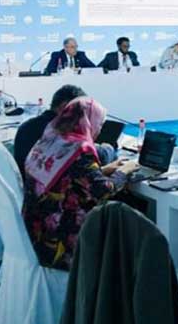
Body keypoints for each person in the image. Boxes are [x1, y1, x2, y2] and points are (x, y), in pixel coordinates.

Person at [22, 97, 139, 271]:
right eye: (99, 124)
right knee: (125, 222)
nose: (99, 129)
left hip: (33, 233)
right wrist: (124, 171)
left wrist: (104, 170)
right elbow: (103, 190)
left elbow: (69, 177)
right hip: (58, 244)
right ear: (89, 122)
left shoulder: (50, 139)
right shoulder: (79, 150)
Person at [13, 85, 87, 178]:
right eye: (79, 111)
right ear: (64, 106)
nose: (81, 117)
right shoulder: (58, 130)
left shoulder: (26, 126)